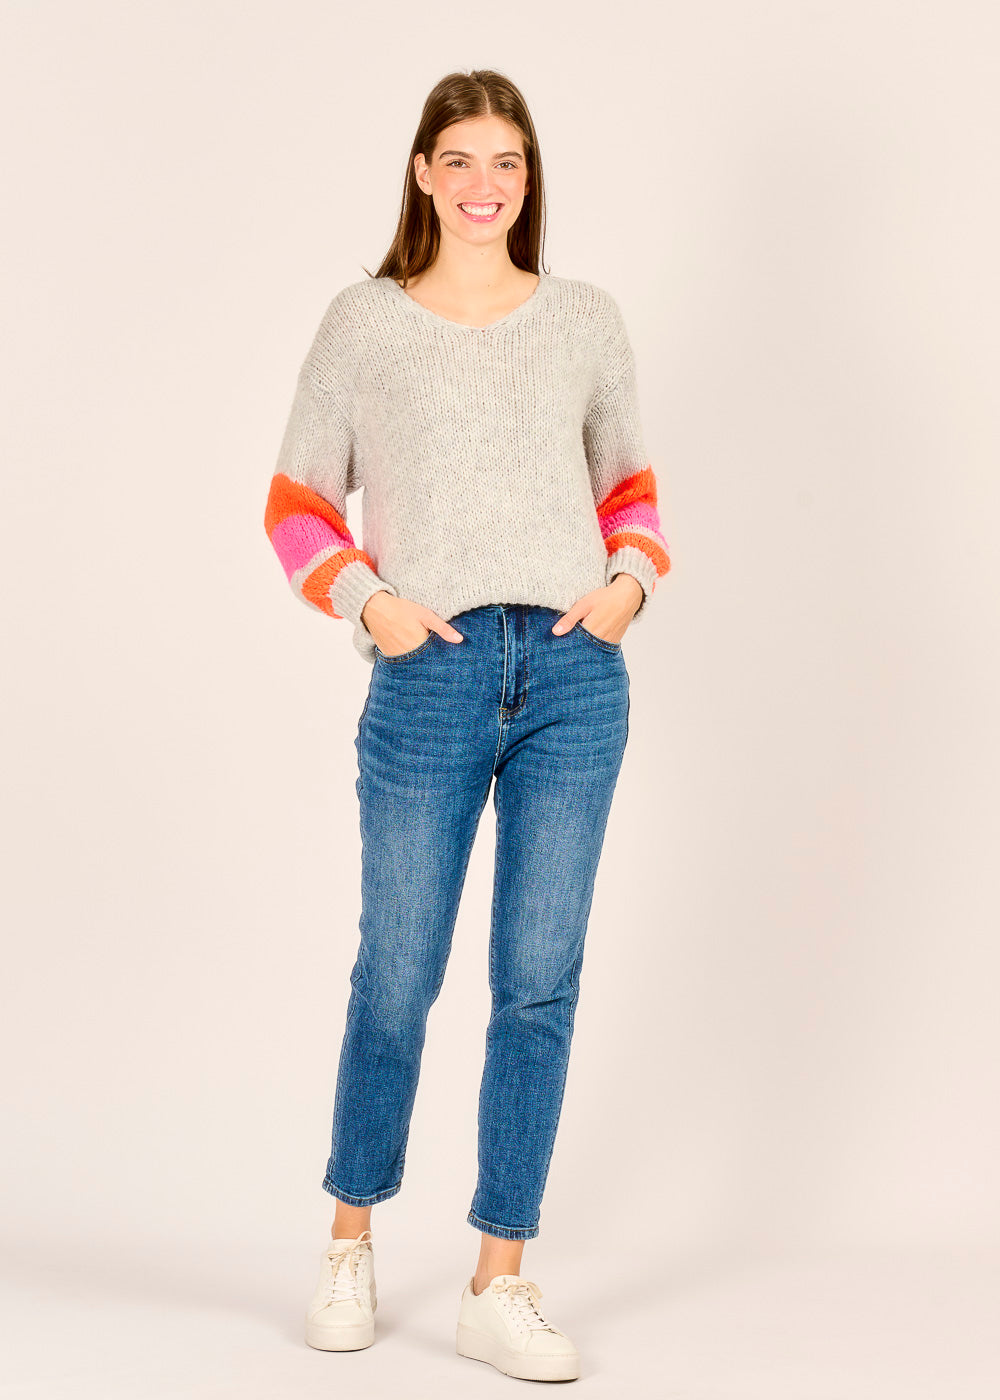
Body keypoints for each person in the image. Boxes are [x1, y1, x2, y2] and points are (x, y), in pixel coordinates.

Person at [264, 68, 671, 1384]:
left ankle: (500, 1277)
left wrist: (629, 584)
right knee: (397, 972)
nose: (484, 185)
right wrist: (369, 601)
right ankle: (349, 1243)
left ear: (527, 178)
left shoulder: (586, 319)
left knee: (537, 982)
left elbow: (630, 487)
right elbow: (294, 504)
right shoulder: (365, 323)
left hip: (572, 672)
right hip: (428, 672)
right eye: (460, 160)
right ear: (423, 174)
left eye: (507, 162)